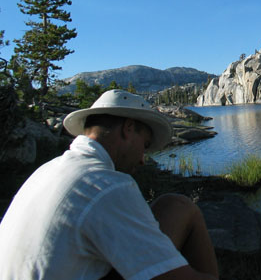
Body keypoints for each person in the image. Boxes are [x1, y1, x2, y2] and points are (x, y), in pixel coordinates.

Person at [0, 89, 219, 280]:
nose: (143, 158)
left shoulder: (47, 170)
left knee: (175, 206)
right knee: (182, 208)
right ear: (128, 128)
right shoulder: (106, 184)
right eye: (145, 145)